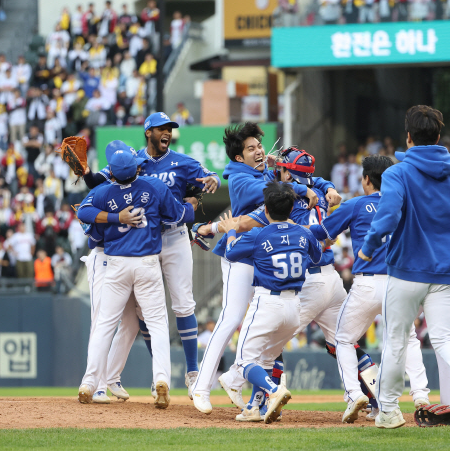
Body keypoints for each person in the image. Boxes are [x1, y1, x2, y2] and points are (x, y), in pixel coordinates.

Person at [189, 123, 329, 414]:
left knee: (269, 323)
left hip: (262, 255)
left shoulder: (264, 170)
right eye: (251, 148)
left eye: (259, 146)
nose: (259, 151)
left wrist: (326, 187)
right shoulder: (239, 176)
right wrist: (301, 187)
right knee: (230, 319)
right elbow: (269, 189)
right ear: (239, 157)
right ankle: (202, 388)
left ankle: (239, 383)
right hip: (239, 254)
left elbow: (309, 179)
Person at [358, 105, 450, 428]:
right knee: (444, 338)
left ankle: (387, 411)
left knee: (396, 340)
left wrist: (368, 248)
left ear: (409, 137)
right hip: (445, 275)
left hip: (405, 272)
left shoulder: (397, 173)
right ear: (439, 137)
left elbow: (387, 216)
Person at [310, 155, 450, 423]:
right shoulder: (407, 205)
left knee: (343, 339)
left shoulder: (356, 204)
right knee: (409, 339)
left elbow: (320, 233)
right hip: (400, 282)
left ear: (367, 179)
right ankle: (420, 396)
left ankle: (354, 394)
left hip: (367, 283)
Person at [77, 149, 195, 409]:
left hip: (116, 264)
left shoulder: (104, 191)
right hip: (147, 264)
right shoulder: (153, 185)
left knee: (105, 325)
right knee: (157, 325)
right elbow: (179, 216)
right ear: (135, 167)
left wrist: (114, 217)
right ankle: (161, 378)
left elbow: (83, 213)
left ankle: (88, 382)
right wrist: (192, 205)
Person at [222, 181, 324, 423]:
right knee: (267, 359)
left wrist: (230, 231)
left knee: (244, 360)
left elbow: (230, 253)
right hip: (294, 308)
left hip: (267, 302)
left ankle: (274, 390)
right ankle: (253, 408)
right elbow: (317, 256)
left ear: (265, 209)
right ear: (290, 209)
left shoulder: (259, 233)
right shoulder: (305, 232)